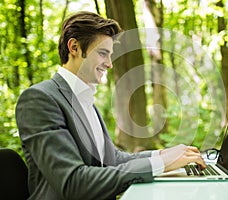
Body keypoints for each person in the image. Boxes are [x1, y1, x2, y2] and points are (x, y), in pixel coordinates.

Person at [15, 11, 206, 200]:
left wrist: (162, 154)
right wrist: (162, 164)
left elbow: (112, 159)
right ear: (74, 47)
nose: (109, 64)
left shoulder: (85, 99)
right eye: (102, 53)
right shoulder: (39, 99)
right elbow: (74, 182)